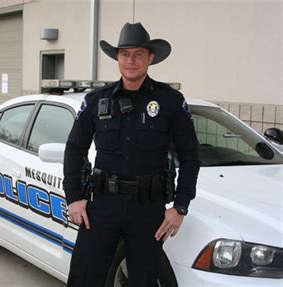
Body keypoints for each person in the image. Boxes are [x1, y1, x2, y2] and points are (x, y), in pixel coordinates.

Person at [63, 22, 200, 287]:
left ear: (150, 58)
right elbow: (74, 149)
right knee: (84, 276)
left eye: (138, 54)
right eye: (125, 54)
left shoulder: (170, 101)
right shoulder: (96, 100)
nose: (131, 60)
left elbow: (191, 156)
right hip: (102, 206)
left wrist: (180, 206)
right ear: (117, 58)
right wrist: (74, 197)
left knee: (144, 280)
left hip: (147, 209)